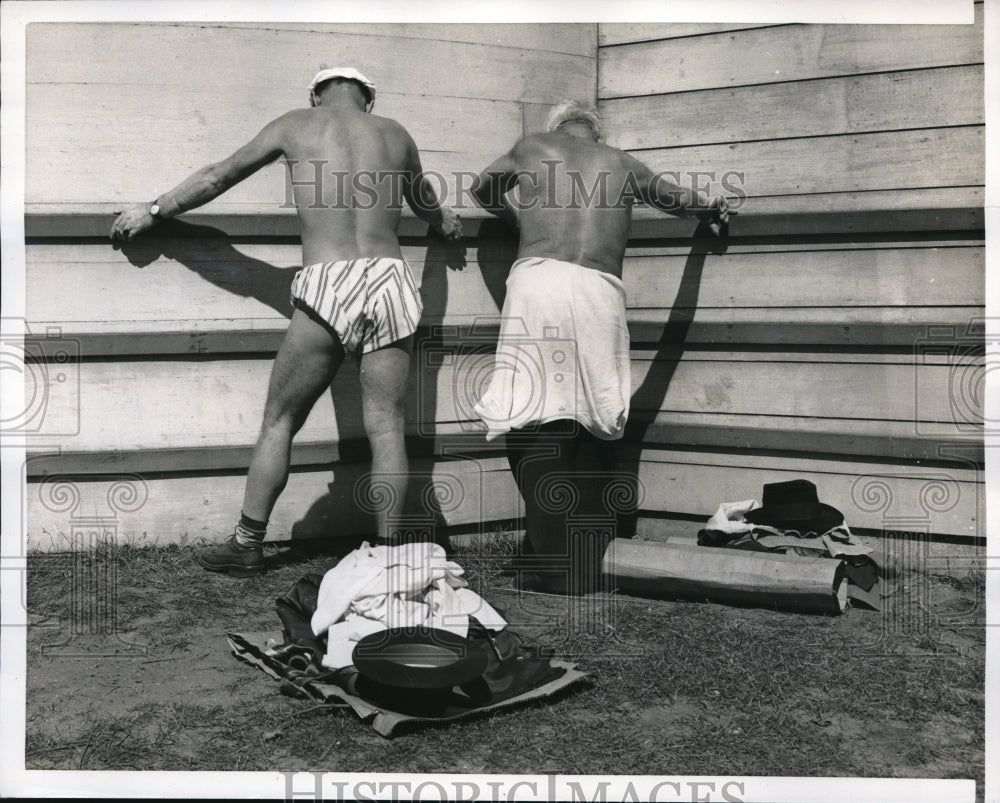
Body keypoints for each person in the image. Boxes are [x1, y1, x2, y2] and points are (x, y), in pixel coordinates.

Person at [110, 67, 462, 576]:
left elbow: (218, 176)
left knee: (280, 420)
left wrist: (154, 209)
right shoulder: (396, 134)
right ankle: (389, 556)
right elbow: (424, 201)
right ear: (368, 99)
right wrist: (446, 222)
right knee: (387, 427)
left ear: (316, 95)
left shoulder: (297, 123)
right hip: (389, 281)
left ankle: (248, 543)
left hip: (328, 278)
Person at [469, 100, 728, 594]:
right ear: (596, 132)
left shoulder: (532, 147)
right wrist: (711, 209)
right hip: (600, 292)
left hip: (539, 282)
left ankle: (550, 559)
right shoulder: (622, 163)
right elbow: (678, 199)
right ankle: (585, 556)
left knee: (531, 416)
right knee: (590, 419)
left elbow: (481, 186)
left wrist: (517, 218)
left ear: (556, 129)